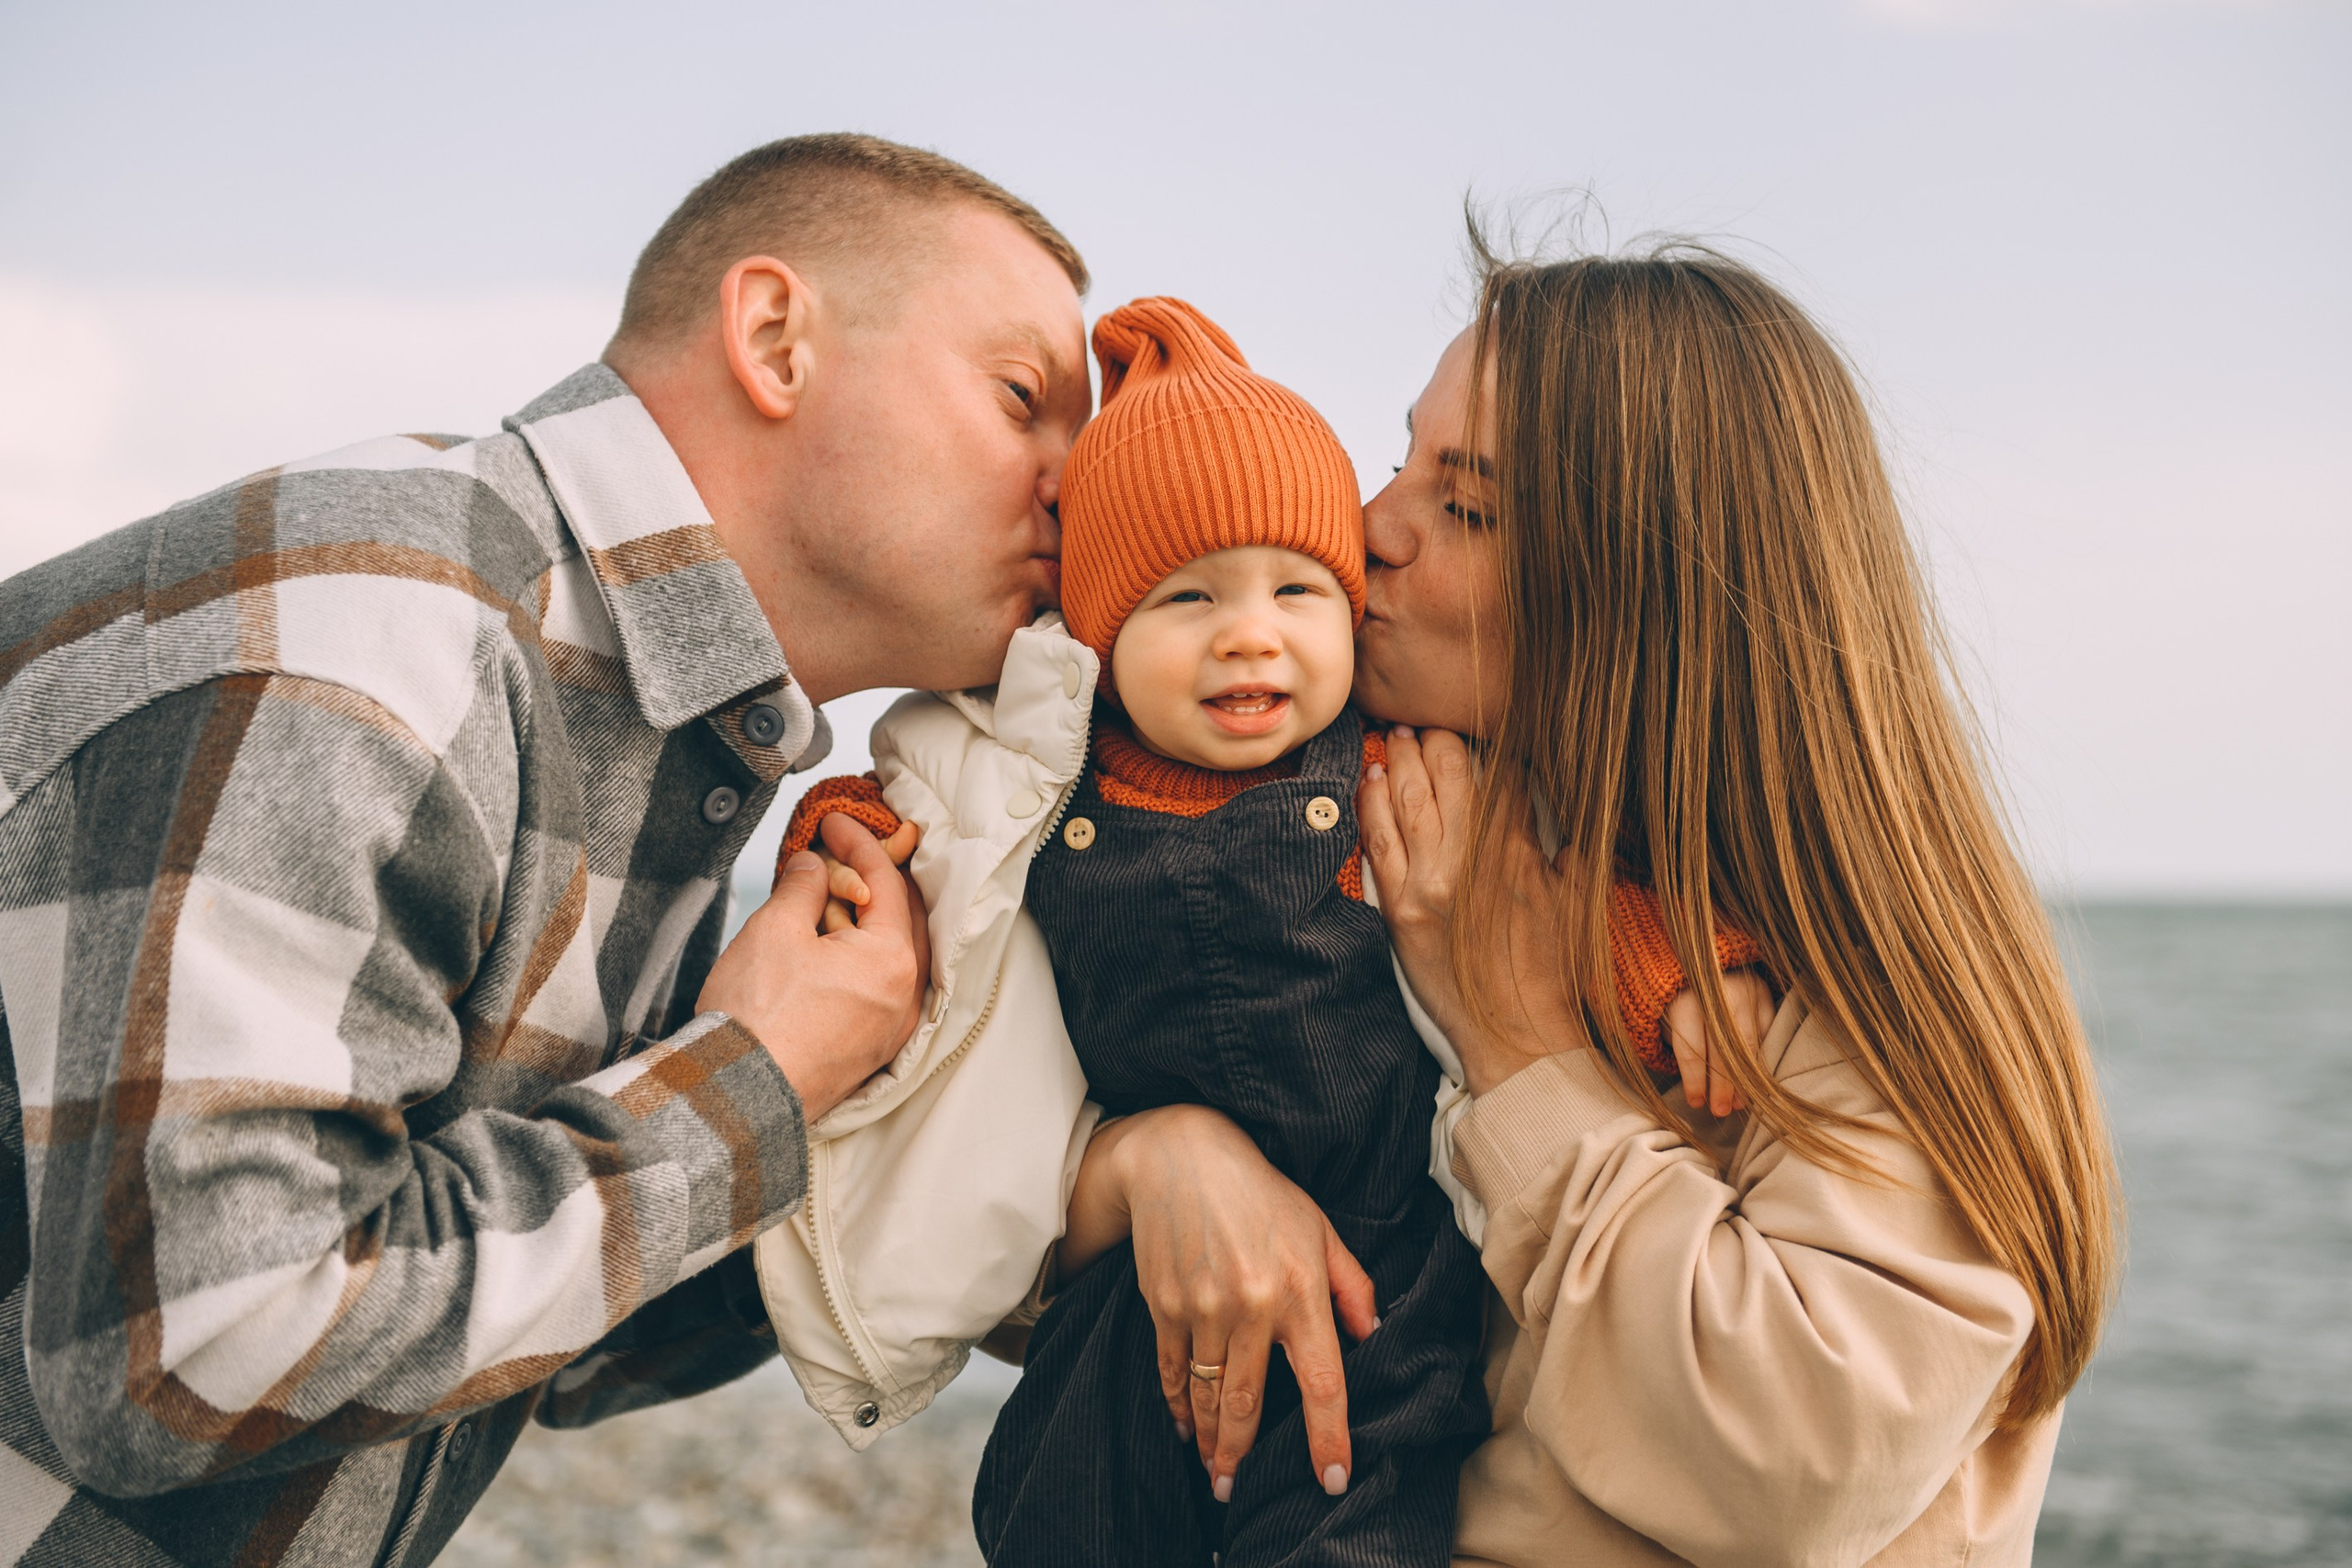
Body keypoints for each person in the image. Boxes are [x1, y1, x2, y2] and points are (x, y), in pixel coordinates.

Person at [0, 133, 1090, 1568]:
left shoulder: (639, 718)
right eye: (1029, 402)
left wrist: (1025, 1196)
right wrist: (749, 1086)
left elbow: (538, 1348)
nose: (1083, 489)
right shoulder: (377, 635)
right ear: (774, 338)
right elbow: (198, 1348)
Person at [1060, 242, 2123, 1565]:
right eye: (1401, 458)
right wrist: (1152, 1164)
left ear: (1652, 592)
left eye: (1469, 508)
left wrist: (1521, 1049)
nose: (1367, 528)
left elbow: (1799, 1459)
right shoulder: (1408, 839)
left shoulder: (1847, 977)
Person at [759, 298, 1767, 1566]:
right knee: (1058, 1516)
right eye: (1187, 599)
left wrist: (1679, 965)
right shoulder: (1037, 765)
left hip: (1380, 1285)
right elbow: (918, 809)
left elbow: (1567, 889)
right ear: (1101, 636)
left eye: (1298, 588)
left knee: (1348, 1523)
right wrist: (839, 830)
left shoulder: (1404, 766)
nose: (1251, 633)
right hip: (1129, 1294)